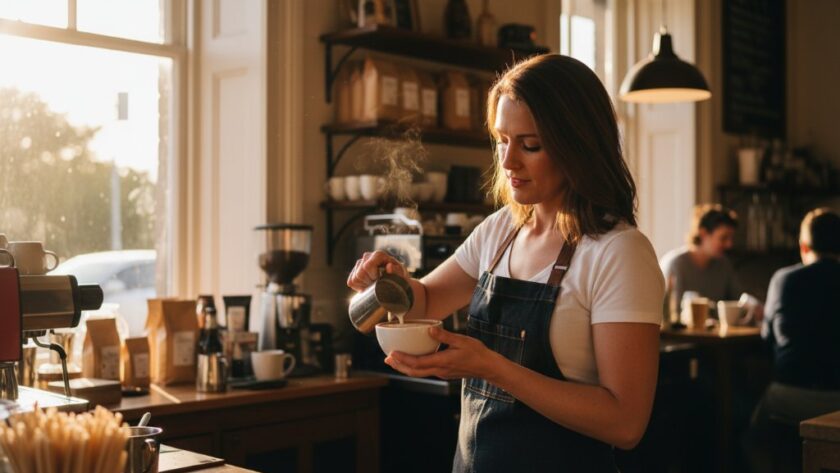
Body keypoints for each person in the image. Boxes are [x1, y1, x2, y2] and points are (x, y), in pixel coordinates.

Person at [347, 54, 664, 472]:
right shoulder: (501, 231)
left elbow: (625, 423)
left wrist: (493, 368)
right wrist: (394, 280)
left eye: (530, 145)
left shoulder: (618, 252)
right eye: (501, 140)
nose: (509, 161)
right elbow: (424, 303)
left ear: (579, 145)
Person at [745, 207, 840, 473]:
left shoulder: (783, 279)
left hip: (790, 395)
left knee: (753, 441)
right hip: (838, 398)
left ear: (803, 246)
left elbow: (768, 340)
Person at [660, 204, 742, 307]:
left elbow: (738, 302)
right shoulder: (676, 264)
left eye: (731, 238)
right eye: (723, 238)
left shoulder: (724, 265)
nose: (729, 244)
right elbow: (671, 312)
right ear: (703, 233)